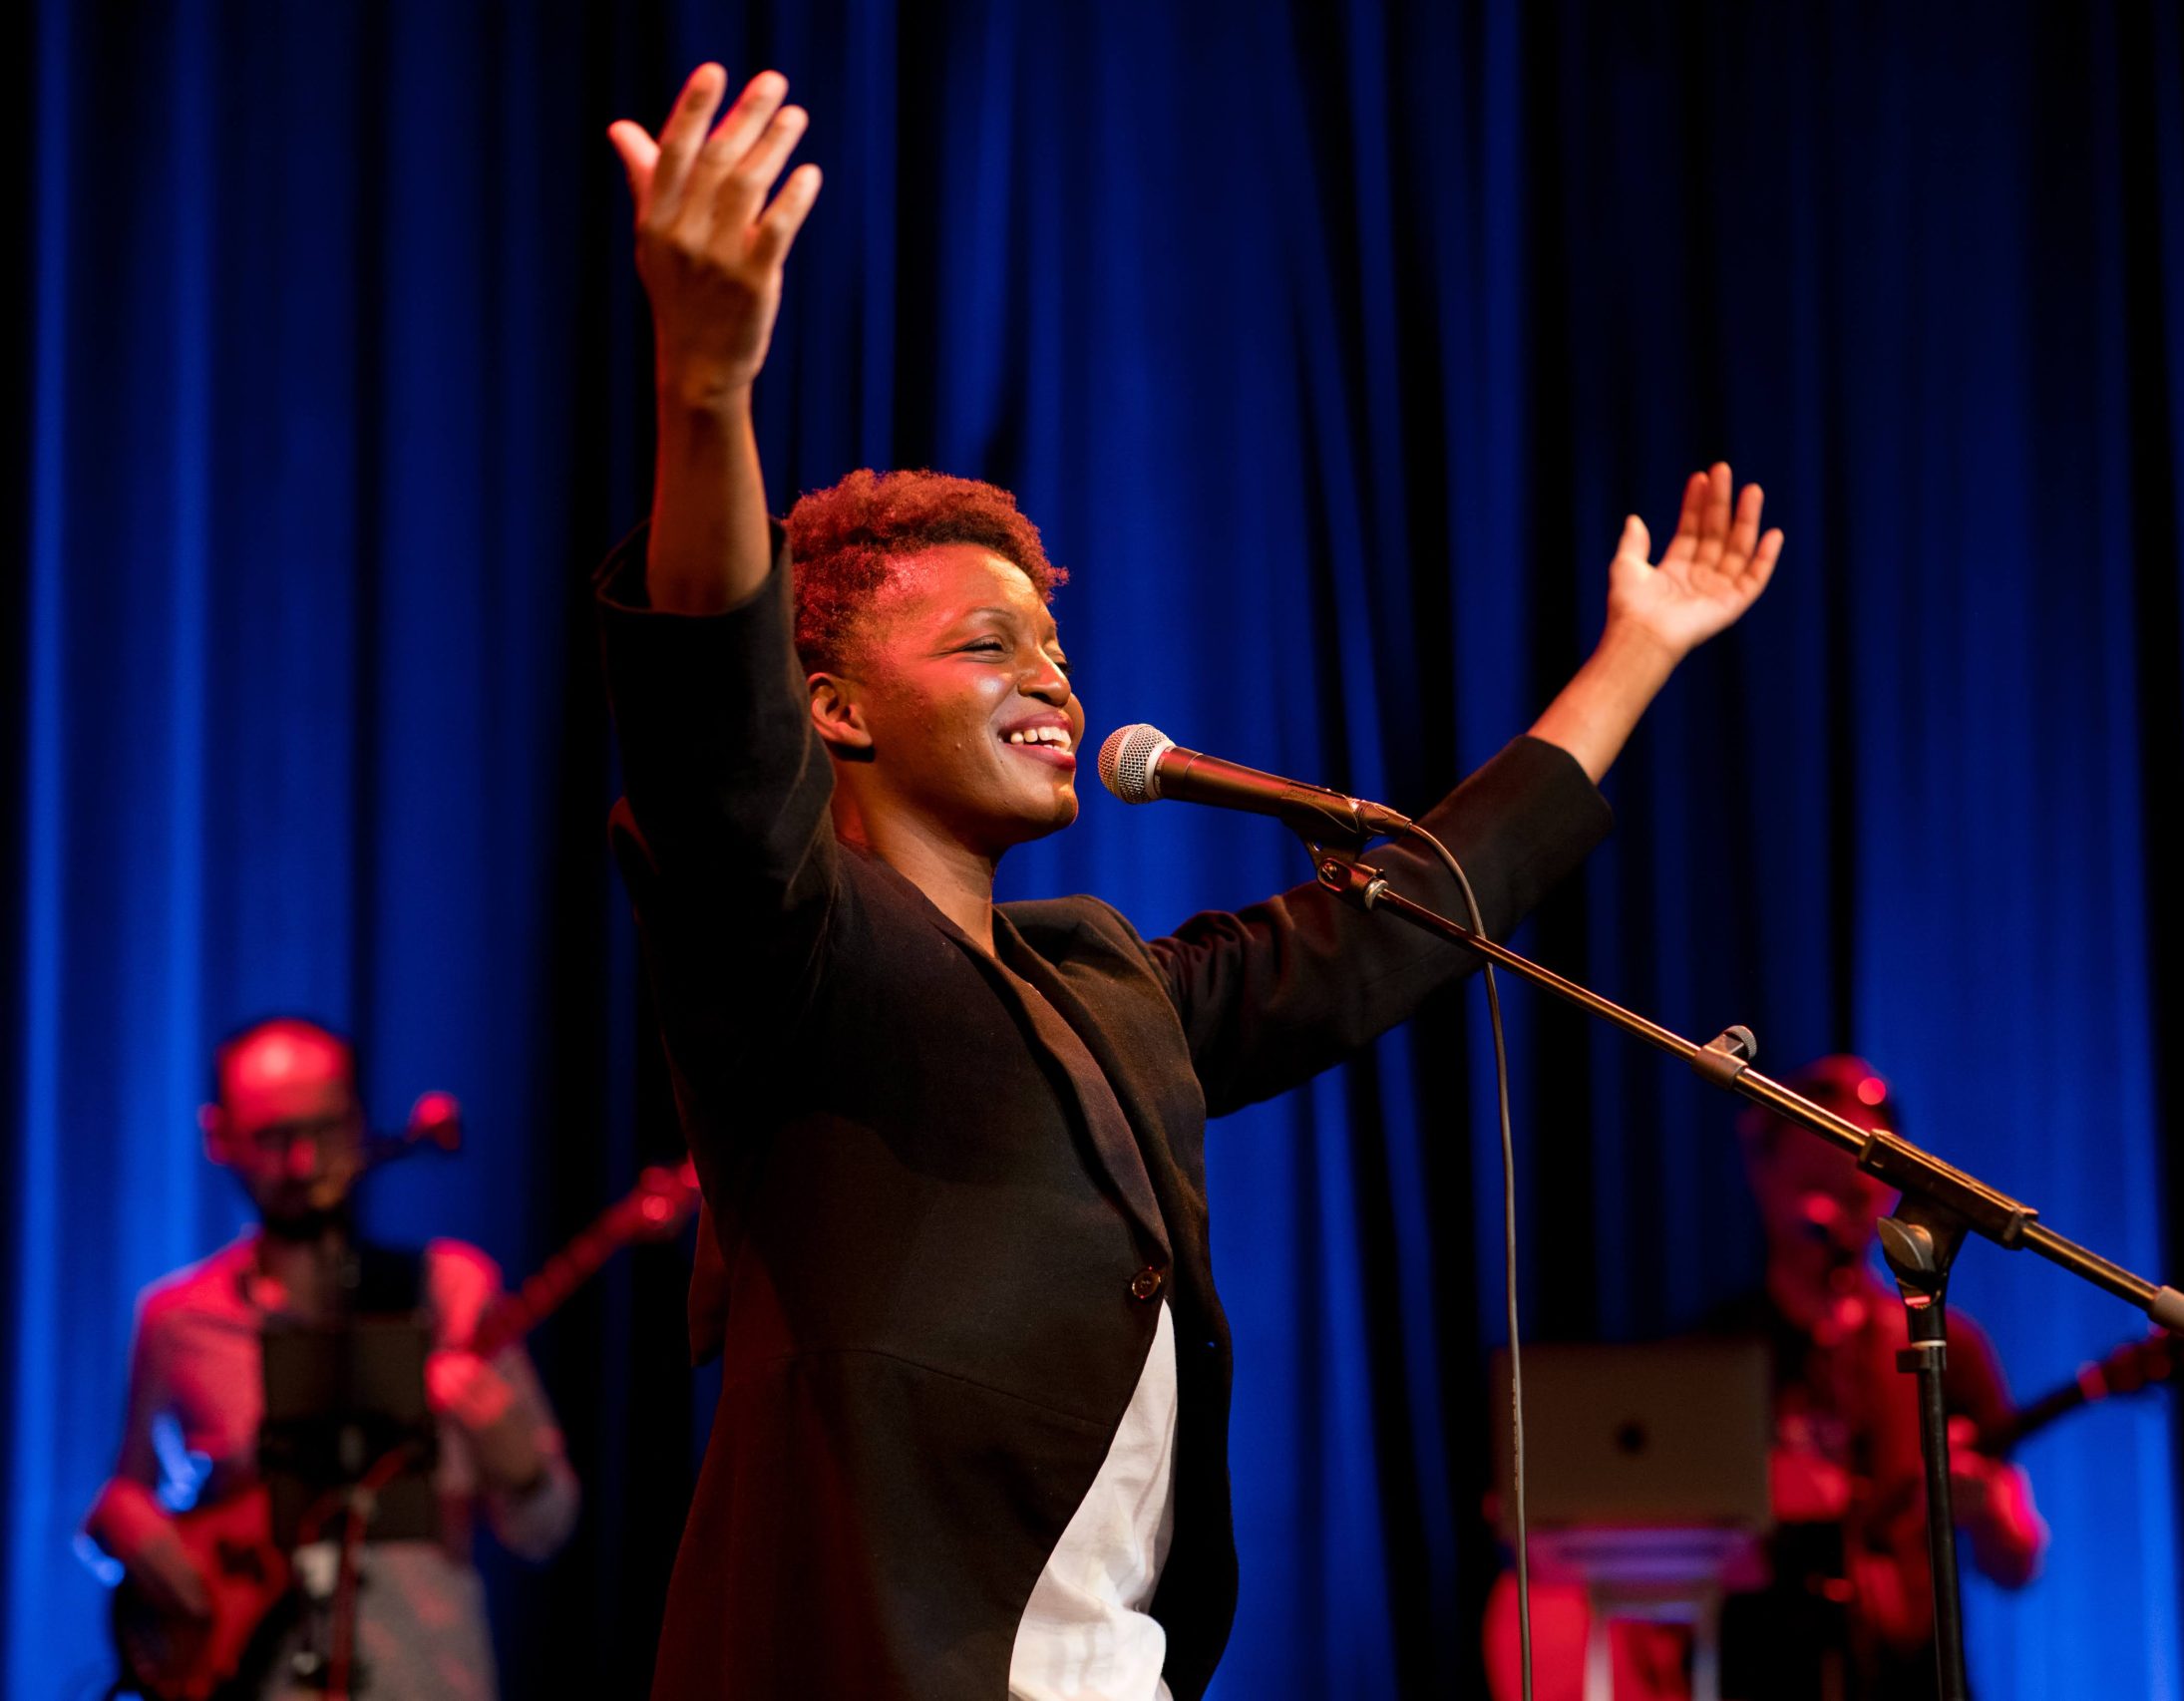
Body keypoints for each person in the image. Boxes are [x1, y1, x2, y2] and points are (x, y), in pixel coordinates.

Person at [595, 63, 1784, 1700]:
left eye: (1059, 645)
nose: (1053, 679)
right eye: (986, 643)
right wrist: (709, 384)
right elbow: (712, 742)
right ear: (839, 709)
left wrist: (1636, 655)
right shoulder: (790, 958)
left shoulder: (1105, 992)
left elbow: (1404, 923)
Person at [1483, 1057, 2047, 1701]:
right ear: (1764, 1173)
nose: (1835, 1207)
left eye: (1859, 1187)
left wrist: (1986, 1514)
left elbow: (2018, 1560)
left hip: (1912, 1677)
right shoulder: (1711, 1357)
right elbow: (1656, 1563)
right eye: (1815, 1181)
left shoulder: (1943, 1343)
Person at [84, 1018, 579, 1701]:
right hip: (251, 1679)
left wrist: (519, 1464)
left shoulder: (450, 1292)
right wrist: (128, 1529)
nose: (303, 1165)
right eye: (272, 1137)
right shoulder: (178, 1320)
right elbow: (127, 1495)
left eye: (323, 1130)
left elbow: (548, 1528)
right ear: (219, 1137)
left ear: (358, 1123)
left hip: (429, 1679)